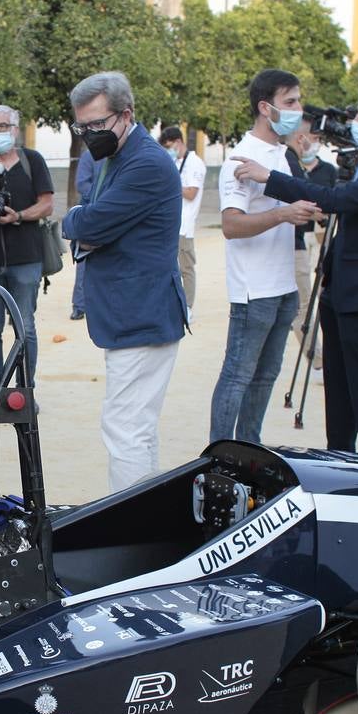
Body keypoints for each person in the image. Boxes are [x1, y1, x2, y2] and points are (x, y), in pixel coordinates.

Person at [233, 82, 358, 455]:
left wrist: (268, 177)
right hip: (343, 287)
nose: (357, 122)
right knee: (338, 381)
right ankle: (341, 455)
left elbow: (336, 199)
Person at [60, 72, 187, 491]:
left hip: (141, 313)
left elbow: (90, 220)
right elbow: (96, 220)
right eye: (83, 127)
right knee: (137, 428)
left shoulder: (145, 162)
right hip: (134, 312)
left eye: (97, 124)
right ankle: (143, 518)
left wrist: (75, 220)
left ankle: (129, 530)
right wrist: (87, 223)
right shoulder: (117, 154)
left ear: (126, 114)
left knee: (125, 429)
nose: (90, 134)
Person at [211, 69, 317, 444]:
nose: (297, 109)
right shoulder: (242, 157)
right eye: (290, 102)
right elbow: (231, 225)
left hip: (284, 286)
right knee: (237, 375)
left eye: (298, 101)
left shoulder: (283, 155)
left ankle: (249, 448)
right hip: (253, 290)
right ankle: (220, 455)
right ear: (264, 107)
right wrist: (282, 214)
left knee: (267, 375)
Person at [0, 104, 55, 384]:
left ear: (15, 129)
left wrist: (18, 216)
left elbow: (47, 205)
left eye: (3, 127)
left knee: (26, 328)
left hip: (26, 258)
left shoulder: (32, 160)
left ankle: (25, 389)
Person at [286, 120, 334, 377]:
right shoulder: (290, 161)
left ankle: (317, 359)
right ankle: (317, 362)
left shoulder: (326, 169)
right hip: (294, 244)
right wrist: (321, 214)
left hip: (308, 239)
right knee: (303, 306)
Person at [157, 126, 207, 311]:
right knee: (170, 268)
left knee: (186, 268)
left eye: (169, 146)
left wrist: (170, 185)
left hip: (185, 226)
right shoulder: (176, 162)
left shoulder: (194, 163)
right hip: (170, 224)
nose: (168, 151)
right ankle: (175, 303)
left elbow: (192, 193)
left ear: (178, 142)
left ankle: (188, 307)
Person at [69, 145, 95, 320]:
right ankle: (79, 305)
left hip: (117, 216)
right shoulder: (89, 156)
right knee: (84, 261)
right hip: (91, 215)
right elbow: (82, 184)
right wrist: (108, 197)